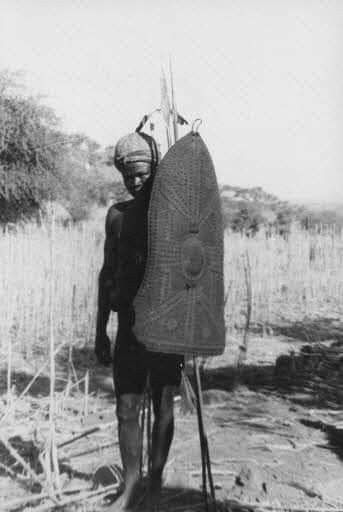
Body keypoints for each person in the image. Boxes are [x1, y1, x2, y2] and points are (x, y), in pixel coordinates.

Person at [94, 132, 184, 511]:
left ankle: (156, 485)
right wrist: (99, 329)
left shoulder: (174, 214)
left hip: (166, 328)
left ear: (156, 171)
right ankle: (131, 487)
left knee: (164, 405)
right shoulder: (116, 215)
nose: (135, 181)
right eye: (129, 175)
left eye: (143, 174)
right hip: (128, 327)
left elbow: (194, 270)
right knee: (126, 409)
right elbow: (107, 273)